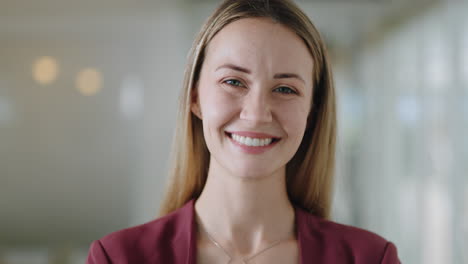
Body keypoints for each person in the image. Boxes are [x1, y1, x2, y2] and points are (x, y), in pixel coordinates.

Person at [86, 0, 400, 263]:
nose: (257, 113)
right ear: (195, 96)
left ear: (312, 111)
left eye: (285, 89)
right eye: (234, 82)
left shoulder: (370, 258)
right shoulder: (117, 258)